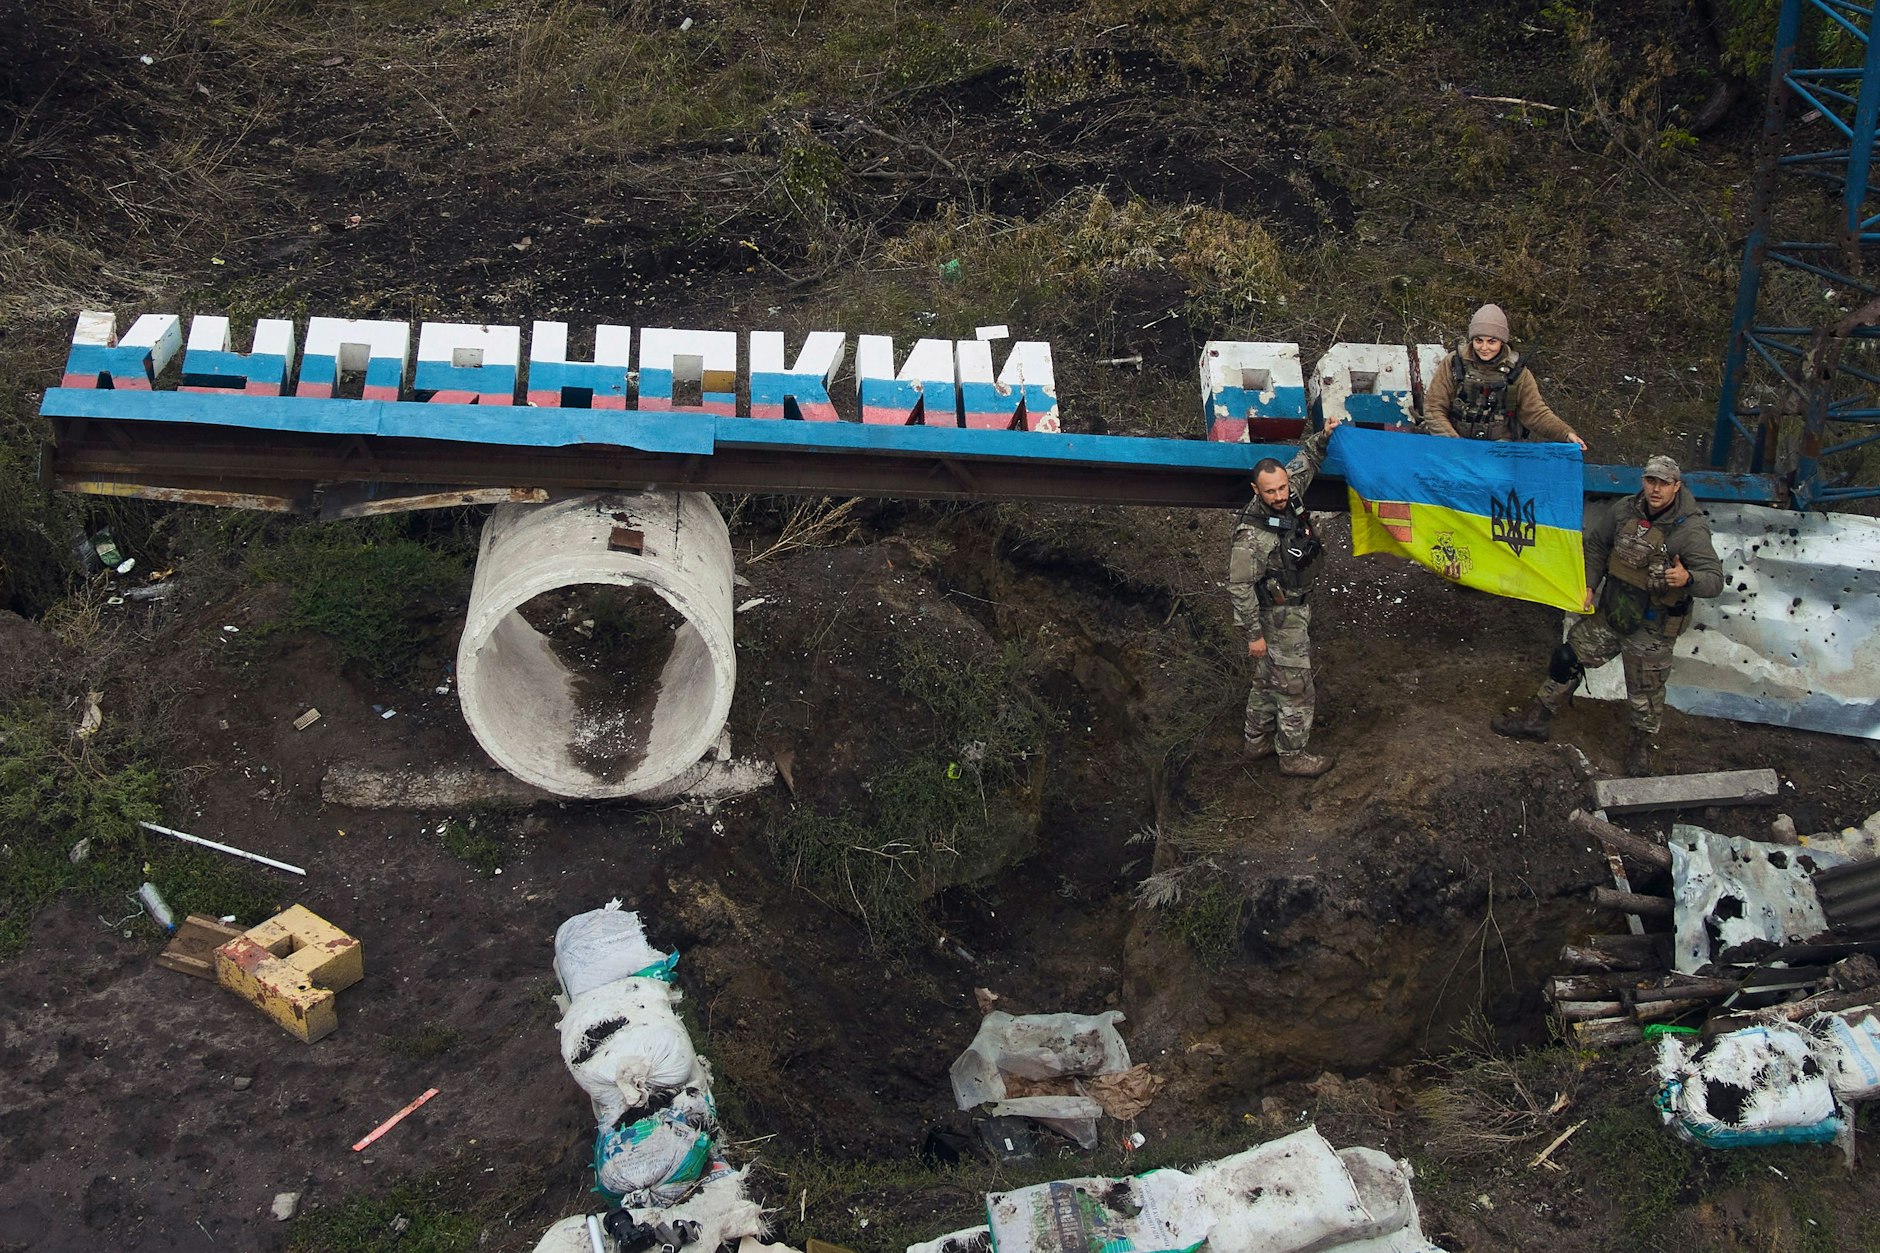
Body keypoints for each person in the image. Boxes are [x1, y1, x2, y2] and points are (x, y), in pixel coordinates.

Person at [1490, 455, 1723, 776]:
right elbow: (1597, 545)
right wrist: (1589, 584)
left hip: (1652, 626)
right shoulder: (1625, 510)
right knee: (1566, 658)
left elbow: (1714, 579)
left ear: (1677, 486)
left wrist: (1688, 579)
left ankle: (1639, 747)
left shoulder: (1690, 530)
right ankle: (1536, 719)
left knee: (1645, 694)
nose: (1655, 489)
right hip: (1614, 612)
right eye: (1650, 481)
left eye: (1664, 483)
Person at [1228, 413, 1343, 778]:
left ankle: (1256, 740)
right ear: (1256, 491)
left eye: (1282, 488)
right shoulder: (1251, 536)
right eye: (1271, 491)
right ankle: (1293, 756)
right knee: (1295, 687)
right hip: (1278, 615)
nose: (1280, 496)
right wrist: (1254, 636)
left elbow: (1307, 458)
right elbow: (1240, 586)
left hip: (1296, 604)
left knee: (1266, 679)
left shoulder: (1289, 491)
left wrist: (1324, 435)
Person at [1421, 304, 1588, 451]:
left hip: (1500, 449)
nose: (1484, 347)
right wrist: (1454, 443)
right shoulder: (1453, 364)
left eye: (1491, 341)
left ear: (1502, 342)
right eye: (1479, 340)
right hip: (1454, 444)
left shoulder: (1518, 373)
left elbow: (1536, 413)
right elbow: (1433, 407)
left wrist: (1565, 433)